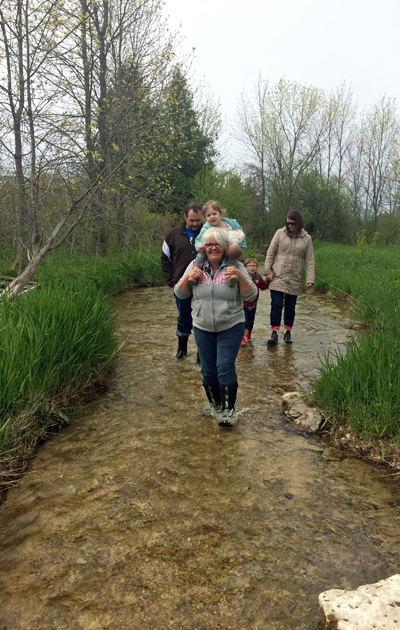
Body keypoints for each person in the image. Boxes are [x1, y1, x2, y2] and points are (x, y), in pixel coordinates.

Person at [174, 227, 257, 427]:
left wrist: (240, 276)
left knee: (224, 366)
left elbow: (251, 295)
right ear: (204, 248)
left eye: (218, 244)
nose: (213, 248)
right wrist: (188, 277)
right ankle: (215, 406)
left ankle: (228, 411)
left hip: (231, 325)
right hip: (202, 326)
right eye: (209, 244)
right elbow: (180, 293)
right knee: (208, 370)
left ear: (225, 246)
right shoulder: (196, 264)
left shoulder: (235, 265)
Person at [264, 209, 315, 345]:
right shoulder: (280, 233)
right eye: (288, 223)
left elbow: (309, 260)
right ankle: (274, 332)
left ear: (298, 223)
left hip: (295, 276)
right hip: (277, 275)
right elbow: (270, 253)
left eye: (292, 223)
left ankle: (287, 332)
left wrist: (310, 279)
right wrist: (267, 271)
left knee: (290, 307)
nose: (290, 226)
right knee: (276, 305)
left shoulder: (307, 238)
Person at [161, 202, 202, 359]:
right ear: (185, 217)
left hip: (203, 284)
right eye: (191, 220)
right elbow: (165, 258)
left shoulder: (207, 232)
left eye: (197, 220)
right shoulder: (173, 234)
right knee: (183, 317)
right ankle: (182, 349)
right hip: (181, 284)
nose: (195, 224)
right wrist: (171, 281)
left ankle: (201, 351)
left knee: (202, 318)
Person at [188, 200, 246, 288]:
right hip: (212, 249)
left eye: (214, 214)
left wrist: (240, 248)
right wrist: (199, 246)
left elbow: (241, 235)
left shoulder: (231, 224)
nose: (212, 217)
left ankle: (231, 275)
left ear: (221, 213)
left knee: (232, 256)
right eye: (208, 215)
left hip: (228, 249)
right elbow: (199, 239)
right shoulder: (206, 227)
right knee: (200, 254)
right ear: (205, 217)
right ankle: (195, 271)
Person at [241, 258, 269, 346]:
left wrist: (268, 280)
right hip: (242, 302)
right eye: (249, 266)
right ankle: (242, 338)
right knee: (243, 320)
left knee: (251, 320)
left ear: (257, 268)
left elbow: (263, 287)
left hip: (253, 303)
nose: (252, 268)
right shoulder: (242, 276)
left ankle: (248, 335)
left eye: (254, 266)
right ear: (245, 268)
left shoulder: (258, 276)